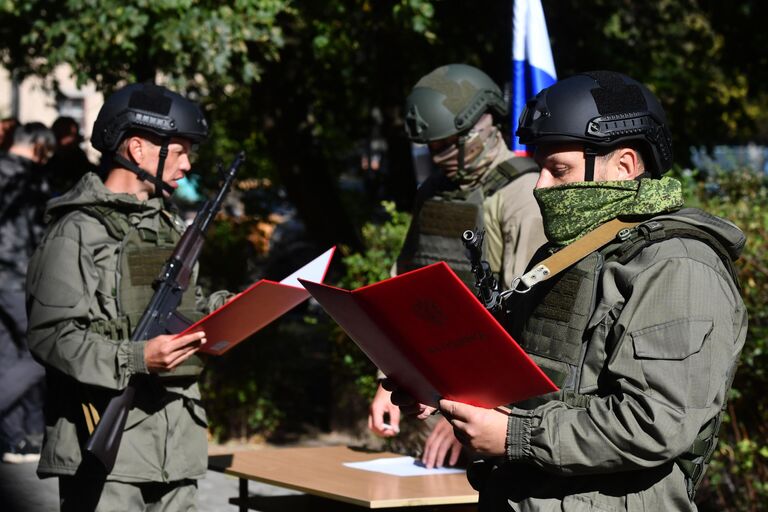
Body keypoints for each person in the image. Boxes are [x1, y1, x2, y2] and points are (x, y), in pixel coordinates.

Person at [390, 70, 747, 510]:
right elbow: (528, 376)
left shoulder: (679, 268)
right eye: (541, 168)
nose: (541, 186)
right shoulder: (569, 253)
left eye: (559, 171)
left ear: (625, 166)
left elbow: (655, 423)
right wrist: (444, 388)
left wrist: (516, 436)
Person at [26, 83, 233, 511]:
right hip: (108, 454)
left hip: (176, 448)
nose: (187, 164)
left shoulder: (168, 228)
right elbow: (52, 337)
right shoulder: (76, 231)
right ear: (138, 149)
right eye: (179, 151)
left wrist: (225, 310)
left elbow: (181, 313)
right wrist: (137, 358)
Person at [367, 64, 547, 469]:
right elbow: (405, 287)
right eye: (430, 146)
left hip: (494, 410)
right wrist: (389, 380)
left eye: (448, 144)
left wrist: (472, 411)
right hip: (429, 396)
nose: (437, 157)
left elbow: (526, 322)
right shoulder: (434, 192)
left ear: (484, 127)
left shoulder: (521, 195)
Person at [0, 122, 55, 463]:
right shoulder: (29, 180)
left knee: (7, 355)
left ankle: (14, 440)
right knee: (42, 350)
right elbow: (40, 233)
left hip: (5, 277)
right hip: (17, 277)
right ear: (37, 146)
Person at [44, 116, 99, 195]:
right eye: (66, 134)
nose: (71, 139)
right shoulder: (47, 163)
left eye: (73, 135)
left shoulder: (81, 161)